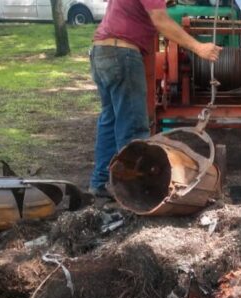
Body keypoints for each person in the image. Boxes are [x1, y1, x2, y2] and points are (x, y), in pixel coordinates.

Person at [89, 0, 222, 197]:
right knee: (133, 125)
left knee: (110, 121)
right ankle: (134, 193)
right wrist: (198, 47)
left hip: (101, 52)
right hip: (122, 54)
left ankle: (100, 184)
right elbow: (160, 19)